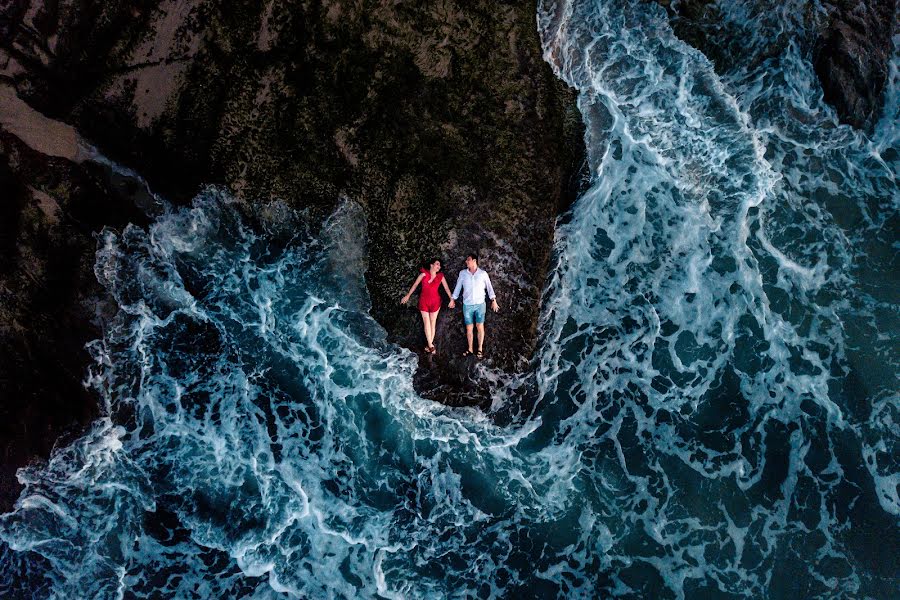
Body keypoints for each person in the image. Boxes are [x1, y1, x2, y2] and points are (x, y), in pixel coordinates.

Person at [448, 252, 499, 358]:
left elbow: (489, 288)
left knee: (480, 326)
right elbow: (458, 287)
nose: (466, 262)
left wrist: (493, 300)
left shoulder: (483, 274)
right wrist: (453, 299)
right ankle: (470, 349)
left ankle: (480, 349)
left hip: (480, 304)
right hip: (467, 305)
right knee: (469, 328)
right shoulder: (462, 273)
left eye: (468, 260)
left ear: (474, 261)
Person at [401, 259, 454, 354]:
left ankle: (429, 345)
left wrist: (451, 299)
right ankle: (431, 345)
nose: (439, 266)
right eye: (437, 264)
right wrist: (408, 295)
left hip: (435, 302)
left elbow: (446, 288)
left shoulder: (440, 276)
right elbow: (415, 285)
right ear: (431, 265)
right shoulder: (423, 274)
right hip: (424, 301)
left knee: (432, 323)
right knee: (426, 322)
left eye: (440, 265)